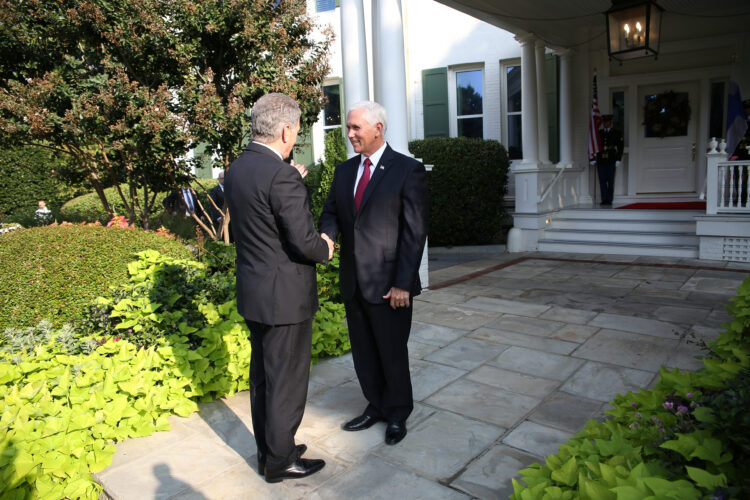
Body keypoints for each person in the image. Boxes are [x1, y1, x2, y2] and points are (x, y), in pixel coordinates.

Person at [224, 93, 334, 483]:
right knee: (286, 380)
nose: (296, 137)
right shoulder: (280, 175)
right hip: (284, 297)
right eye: (297, 131)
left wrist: (289, 179)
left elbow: (256, 218)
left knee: (263, 378)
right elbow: (306, 242)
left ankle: (270, 449)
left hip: (255, 292)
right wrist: (327, 247)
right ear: (286, 129)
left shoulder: (238, 168)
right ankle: (281, 460)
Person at [319, 101, 429, 446]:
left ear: (377, 129)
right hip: (354, 282)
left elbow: (415, 231)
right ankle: (376, 405)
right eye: (348, 128)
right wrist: (327, 236)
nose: (349, 134)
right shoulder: (343, 171)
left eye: (355, 128)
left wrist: (402, 283)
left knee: (392, 353)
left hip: (389, 286)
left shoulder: (407, 170)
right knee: (364, 353)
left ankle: (397, 414)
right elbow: (331, 211)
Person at [595, 114, 624, 206]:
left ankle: (609, 199)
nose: (605, 123)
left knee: (610, 180)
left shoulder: (616, 133)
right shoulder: (598, 133)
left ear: (610, 122)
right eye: (604, 122)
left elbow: (620, 146)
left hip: (611, 159)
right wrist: (593, 158)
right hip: (601, 159)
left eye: (607, 121)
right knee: (602, 180)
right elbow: (594, 146)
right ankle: (604, 199)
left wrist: (618, 158)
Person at [209, 171, 230, 240]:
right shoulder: (214, 190)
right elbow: (213, 205)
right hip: (220, 218)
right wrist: (218, 217)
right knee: (222, 237)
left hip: (229, 217)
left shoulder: (230, 189)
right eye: (223, 178)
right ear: (219, 179)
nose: (224, 180)